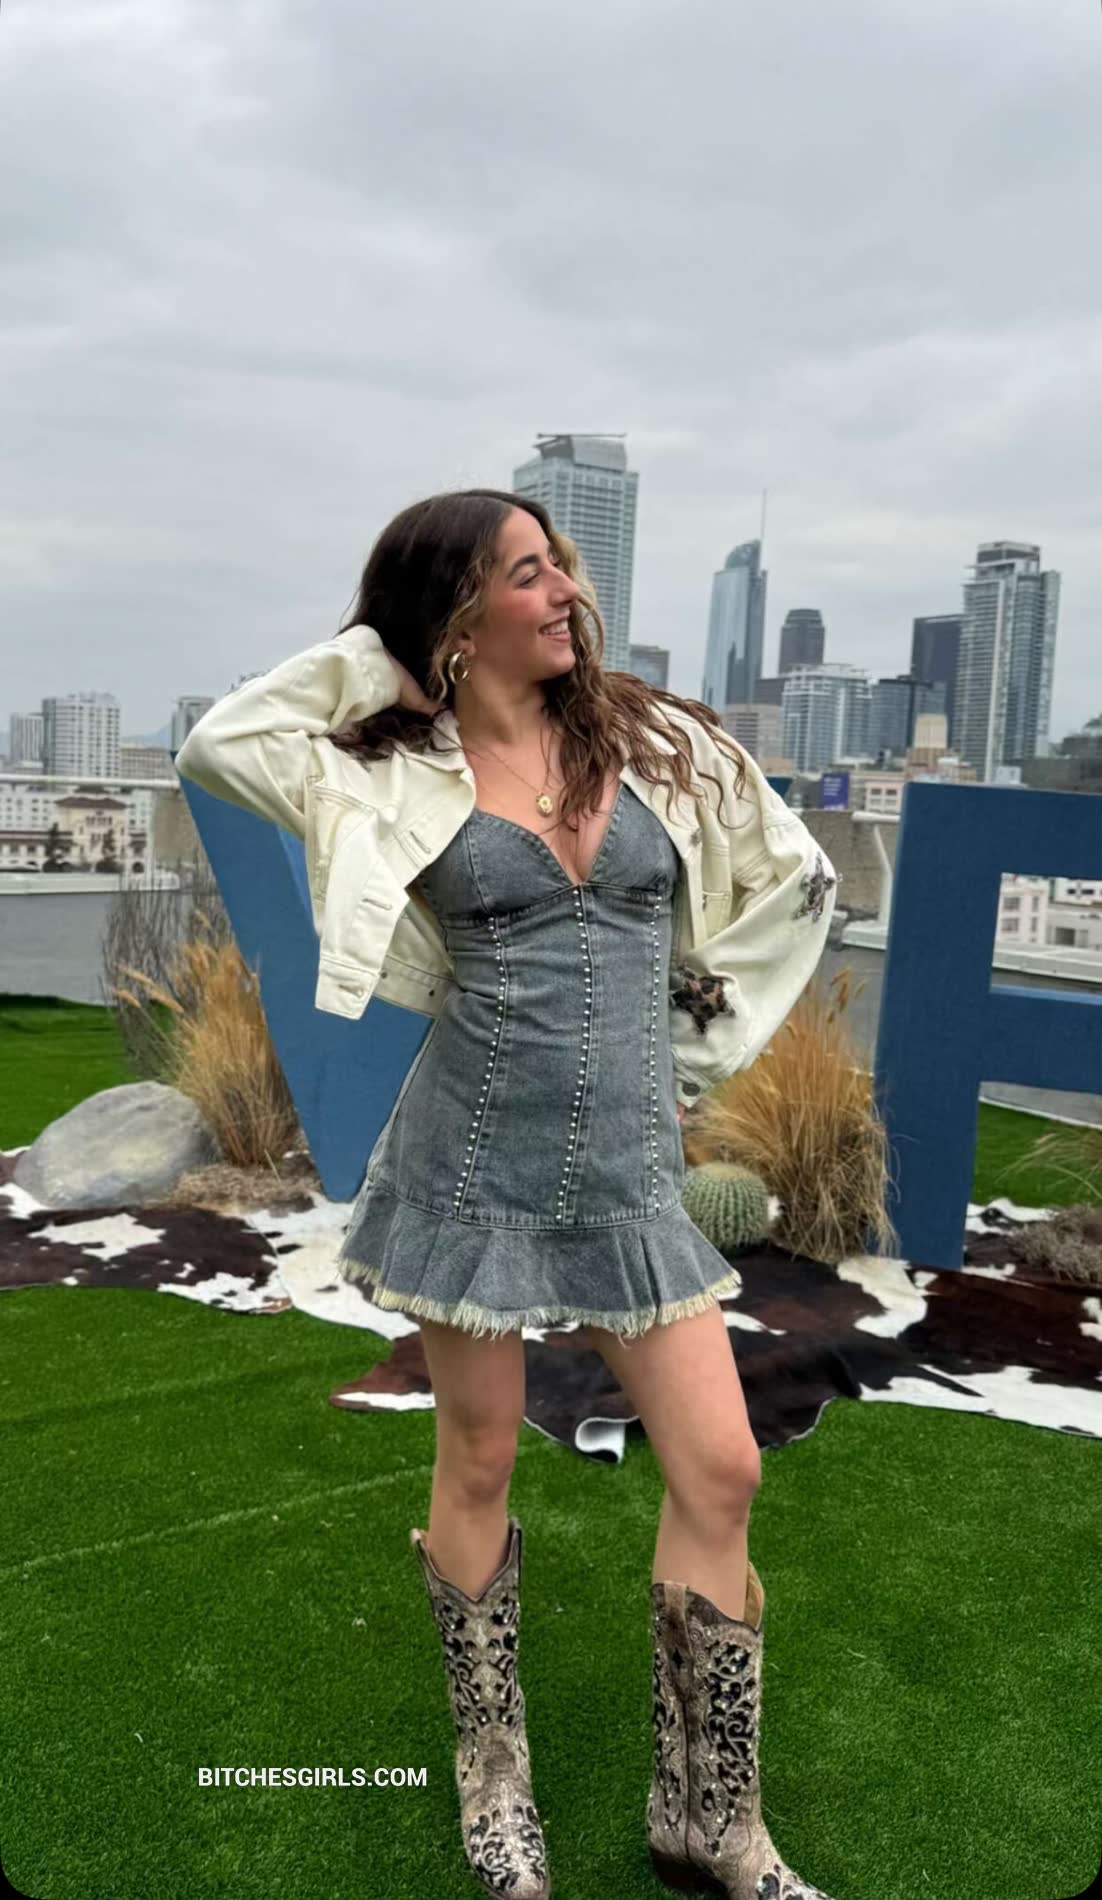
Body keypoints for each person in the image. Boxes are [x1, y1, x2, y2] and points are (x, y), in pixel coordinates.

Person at [177, 488, 838, 1900]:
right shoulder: (388, 771)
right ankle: (496, 1794)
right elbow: (220, 744)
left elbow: (796, 882)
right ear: (458, 613)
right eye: (527, 574)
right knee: (476, 1461)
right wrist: (386, 657)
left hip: (629, 1172)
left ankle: (710, 1819)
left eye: (563, 568)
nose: (565, 594)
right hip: (469, 1165)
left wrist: (693, 1053)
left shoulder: (658, 744)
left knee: (720, 1468)